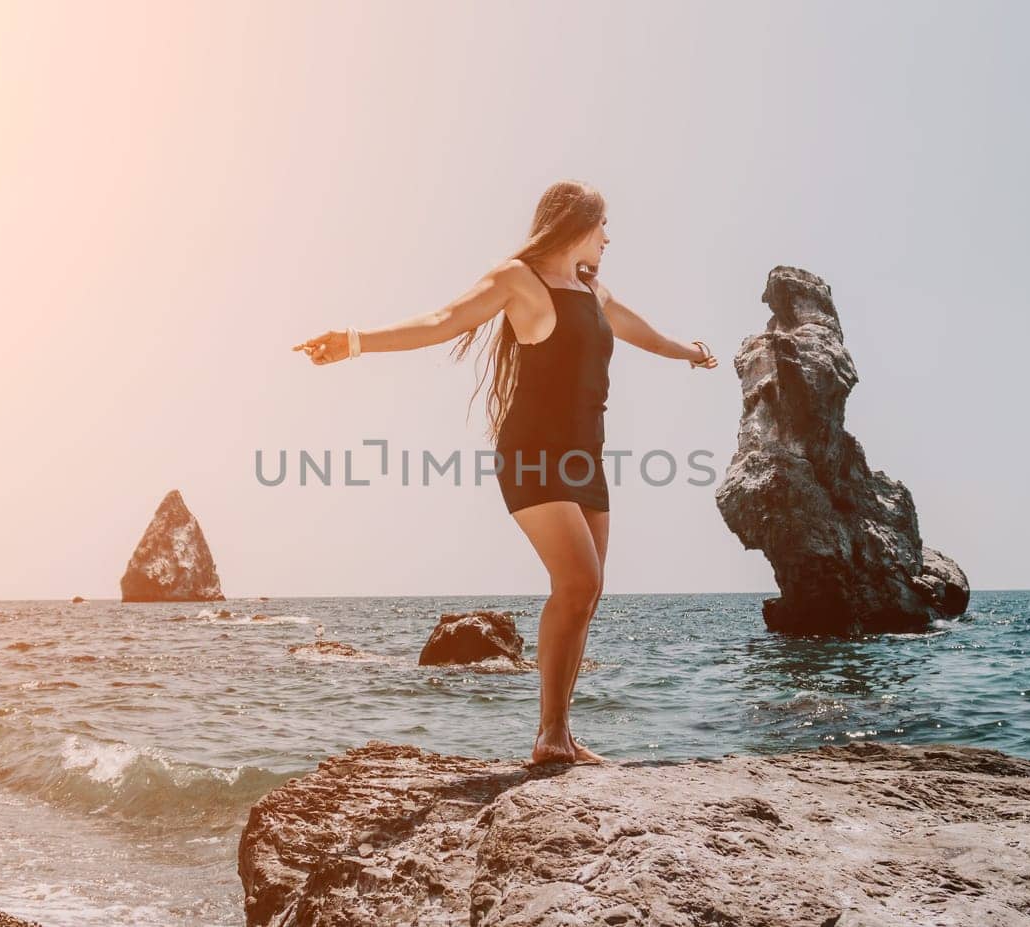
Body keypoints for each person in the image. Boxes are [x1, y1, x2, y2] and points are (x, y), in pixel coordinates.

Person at [291, 180, 717, 766]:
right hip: (534, 456)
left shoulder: (592, 291)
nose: (609, 237)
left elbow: (643, 333)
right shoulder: (520, 281)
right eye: (603, 226)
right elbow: (444, 319)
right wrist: (356, 342)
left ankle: (560, 733)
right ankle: (549, 735)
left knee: (587, 595)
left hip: (586, 458)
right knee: (578, 584)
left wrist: (689, 352)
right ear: (578, 223)